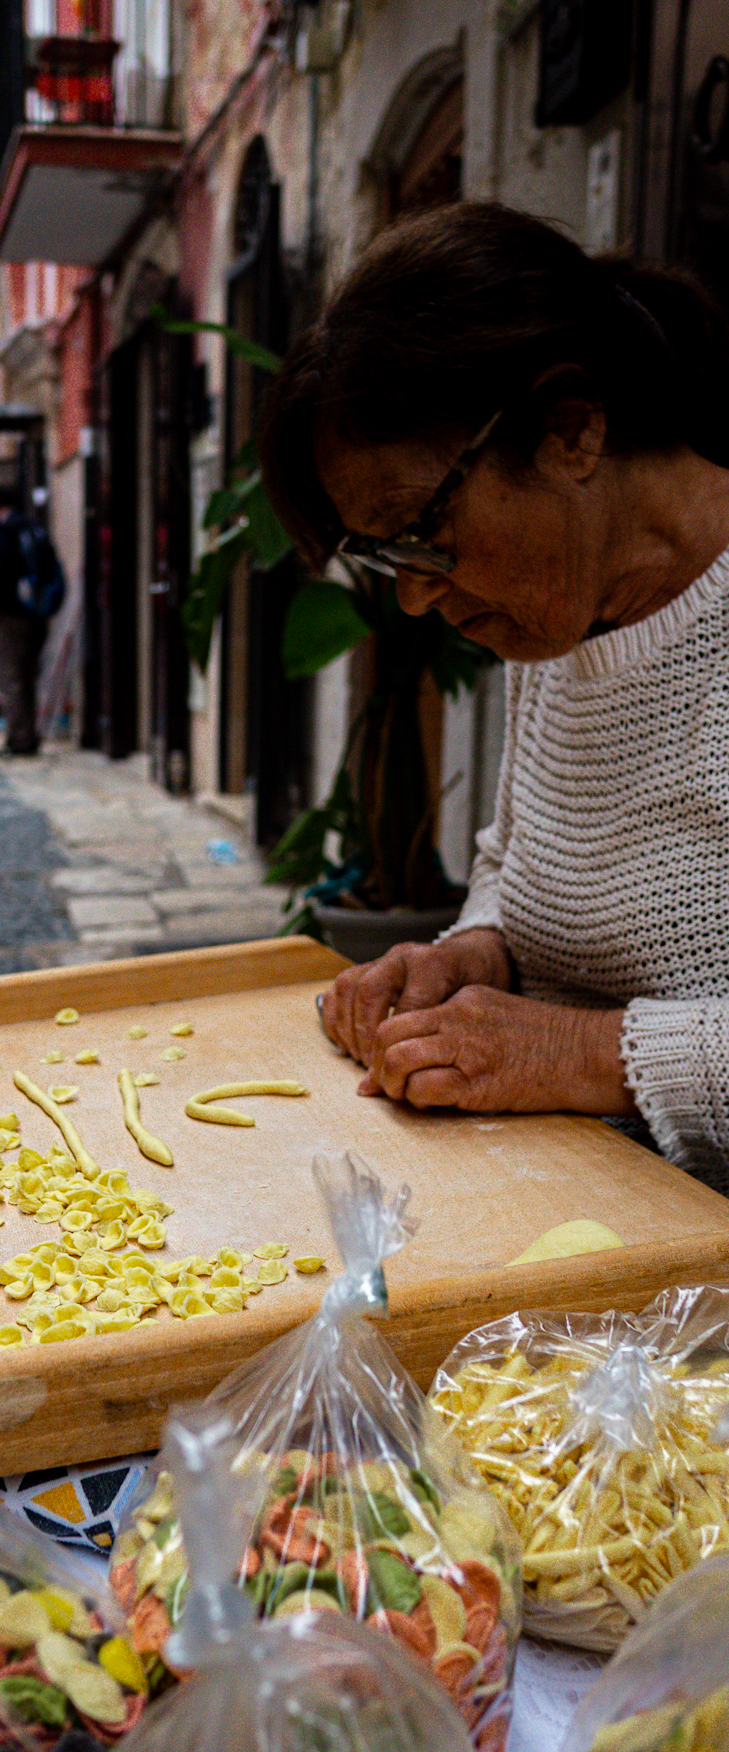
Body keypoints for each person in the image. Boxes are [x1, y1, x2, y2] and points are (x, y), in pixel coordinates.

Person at [258, 200, 729, 1194]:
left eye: (420, 532)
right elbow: (514, 855)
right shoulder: (558, 619)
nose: (419, 595)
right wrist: (476, 953)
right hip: (576, 1217)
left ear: (570, 431)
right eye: (385, 558)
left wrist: (581, 1056)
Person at [0, 482, 63, 756]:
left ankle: (19, 737)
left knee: (11, 677)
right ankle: (29, 733)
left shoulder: (7, 529)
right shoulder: (34, 527)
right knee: (27, 676)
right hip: (35, 612)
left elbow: (0, 572)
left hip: (9, 612)